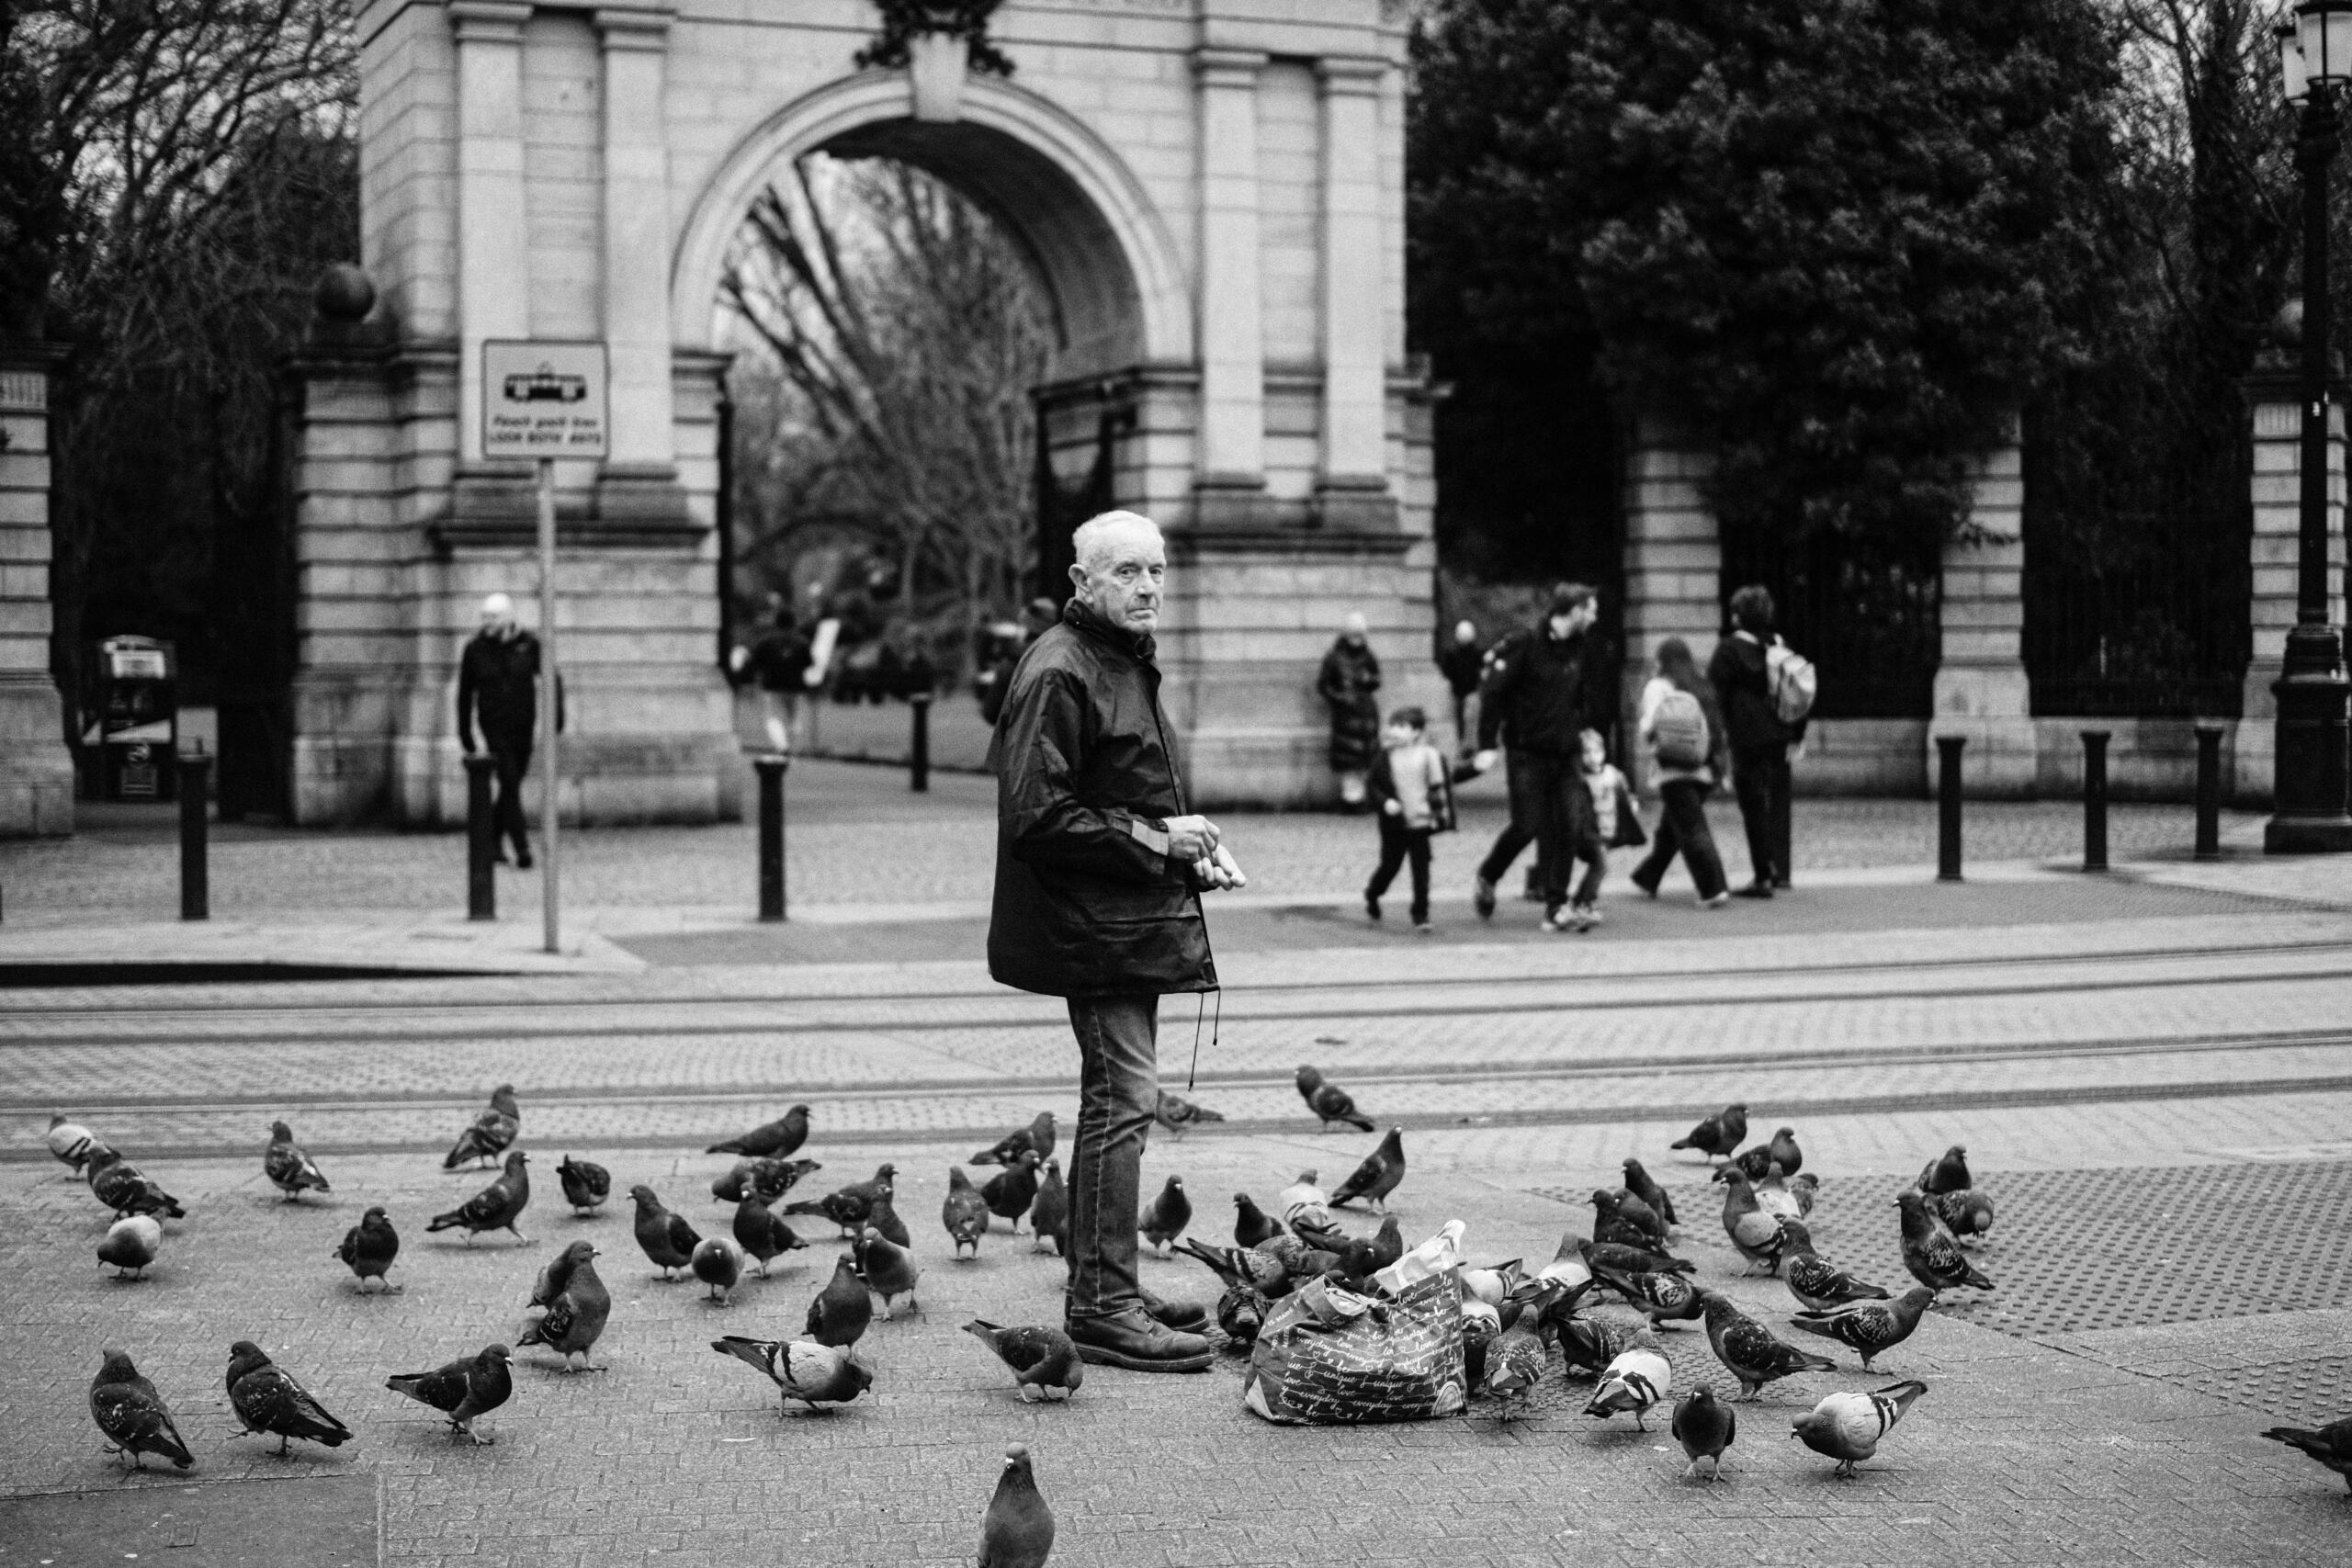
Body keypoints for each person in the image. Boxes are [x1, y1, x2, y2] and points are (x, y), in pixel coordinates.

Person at [986, 510, 1246, 1373]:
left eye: (1157, 570)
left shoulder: (1118, 658)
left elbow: (1120, 790)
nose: (1147, 587)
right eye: (1127, 571)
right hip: (1091, 929)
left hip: (1123, 921)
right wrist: (1158, 840)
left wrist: (1186, 849)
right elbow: (1038, 815)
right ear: (1082, 580)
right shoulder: (1061, 668)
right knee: (1123, 1101)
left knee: (1122, 1101)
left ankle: (1108, 1284)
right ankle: (1102, 1305)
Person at [1470, 583, 1611, 931]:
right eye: (1591, 610)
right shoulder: (1526, 644)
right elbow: (1493, 692)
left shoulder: (1580, 648)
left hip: (1566, 752)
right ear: (1575, 611)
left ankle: (1556, 906)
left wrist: (1587, 728)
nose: (1595, 617)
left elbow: (1581, 695)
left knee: (1568, 827)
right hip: (1527, 752)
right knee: (1526, 826)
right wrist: (1487, 743)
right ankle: (1488, 875)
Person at [457, 592, 560, 868]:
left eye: (493, 617)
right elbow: (465, 693)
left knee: (510, 785)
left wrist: (556, 717)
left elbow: (552, 678)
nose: (487, 622)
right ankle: (521, 846)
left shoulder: (529, 645)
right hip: (493, 727)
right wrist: (465, 732)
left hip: (523, 726)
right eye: (484, 617)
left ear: (507, 618)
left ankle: (491, 839)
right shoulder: (475, 649)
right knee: (510, 781)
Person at [1709, 584, 1798, 896]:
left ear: (1738, 616)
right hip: (1779, 731)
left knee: (1753, 805)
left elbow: (1715, 695)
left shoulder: (1729, 649)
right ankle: (1778, 869)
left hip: (1746, 736)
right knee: (1777, 801)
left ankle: (1763, 874)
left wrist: (1717, 736)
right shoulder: (1778, 645)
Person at [1629, 637, 1730, 907]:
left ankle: (1712, 888)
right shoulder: (1701, 684)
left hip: (1674, 768)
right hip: (1704, 767)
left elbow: (1649, 726)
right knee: (1672, 828)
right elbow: (1717, 728)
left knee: (1691, 829)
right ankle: (1647, 877)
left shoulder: (1658, 687)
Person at [1363, 705, 1457, 932]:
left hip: (1420, 822)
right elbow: (1372, 784)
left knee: (1421, 870)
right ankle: (1373, 893)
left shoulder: (1428, 755)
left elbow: (1438, 787)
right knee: (1390, 866)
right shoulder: (1385, 756)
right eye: (1393, 725)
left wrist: (1440, 817)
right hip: (1394, 823)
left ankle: (1420, 913)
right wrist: (1385, 802)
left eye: (1402, 726)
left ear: (1416, 732)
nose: (1395, 730)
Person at [1563, 728, 1639, 931]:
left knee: (1597, 865)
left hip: (1608, 830)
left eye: (1596, 751)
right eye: (1586, 752)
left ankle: (1578, 901)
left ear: (1604, 752)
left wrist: (1631, 802)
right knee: (1601, 865)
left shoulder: (1612, 774)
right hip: (1589, 831)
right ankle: (1584, 903)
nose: (1592, 757)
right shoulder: (1579, 778)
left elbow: (1625, 793)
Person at [1317, 613, 1383, 809]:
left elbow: (1377, 680)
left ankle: (1360, 797)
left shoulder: (1368, 656)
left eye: (1360, 635)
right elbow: (1323, 685)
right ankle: (1351, 799)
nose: (1357, 640)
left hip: (1366, 714)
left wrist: (1368, 680)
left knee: (1366, 758)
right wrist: (1340, 698)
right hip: (1346, 715)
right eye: (1354, 635)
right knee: (1349, 760)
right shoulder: (1334, 658)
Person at [742, 597, 812, 752]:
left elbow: (755, 663)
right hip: (795, 686)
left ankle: (782, 746)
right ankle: (792, 747)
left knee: (772, 718)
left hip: (772, 686)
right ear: (793, 623)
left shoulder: (766, 642)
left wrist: (749, 681)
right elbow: (809, 663)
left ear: (777, 623)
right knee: (794, 718)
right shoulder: (802, 642)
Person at [1438, 619, 1485, 750]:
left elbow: (1482, 671)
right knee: (1457, 719)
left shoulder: (1477, 653)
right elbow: (1446, 671)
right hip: (1456, 691)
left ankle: (1469, 746)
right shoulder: (1451, 654)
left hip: (1471, 691)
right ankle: (1460, 745)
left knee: (1470, 719)